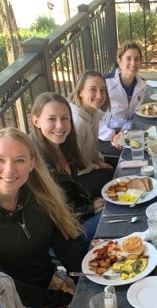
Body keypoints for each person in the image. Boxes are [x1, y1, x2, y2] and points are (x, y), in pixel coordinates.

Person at [0, 127, 84, 308]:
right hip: (11, 307)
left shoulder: (39, 196)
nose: (9, 169)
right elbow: (3, 287)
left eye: (20, 160)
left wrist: (82, 278)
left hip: (47, 285)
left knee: (105, 300)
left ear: (32, 164)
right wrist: (64, 299)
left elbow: (64, 242)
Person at [30, 92, 103, 245]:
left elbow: (73, 191)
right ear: (36, 121)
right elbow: (52, 215)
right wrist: (90, 210)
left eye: (64, 118)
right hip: (62, 237)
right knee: (114, 217)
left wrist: (91, 204)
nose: (60, 126)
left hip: (77, 216)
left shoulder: (64, 145)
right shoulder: (35, 161)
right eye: (51, 119)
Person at [69, 69, 116, 192]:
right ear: (80, 92)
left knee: (124, 165)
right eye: (93, 89)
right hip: (78, 178)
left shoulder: (93, 112)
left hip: (90, 165)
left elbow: (93, 149)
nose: (99, 95)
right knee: (116, 178)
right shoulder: (76, 122)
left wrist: (99, 162)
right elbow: (75, 163)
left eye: (102, 90)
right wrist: (97, 166)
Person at [98, 42, 146, 149]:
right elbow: (93, 116)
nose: (133, 63)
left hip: (127, 134)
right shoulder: (105, 84)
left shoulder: (142, 86)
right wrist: (112, 136)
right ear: (119, 61)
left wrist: (125, 131)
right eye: (128, 58)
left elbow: (132, 116)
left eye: (137, 59)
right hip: (104, 138)